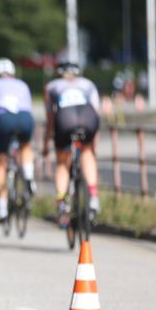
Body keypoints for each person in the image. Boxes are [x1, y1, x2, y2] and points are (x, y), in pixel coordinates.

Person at [43, 61, 102, 226]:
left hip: (65, 119)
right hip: (87, 118)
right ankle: (93, 197)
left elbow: (50, 118)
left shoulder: (52, 86)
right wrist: (93, 143)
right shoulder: (88, 85)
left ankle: (62, 204)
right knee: (87, 154)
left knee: (62, 163)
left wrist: (47, 142)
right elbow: (96, 113)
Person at [0, 58, 35, 223]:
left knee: (0, 163)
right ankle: (29, 176)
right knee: (25, 145)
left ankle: (2, 208)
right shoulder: (23, 85)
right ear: (13, 74)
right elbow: (28, 108)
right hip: (25, 118)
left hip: (5, 119)